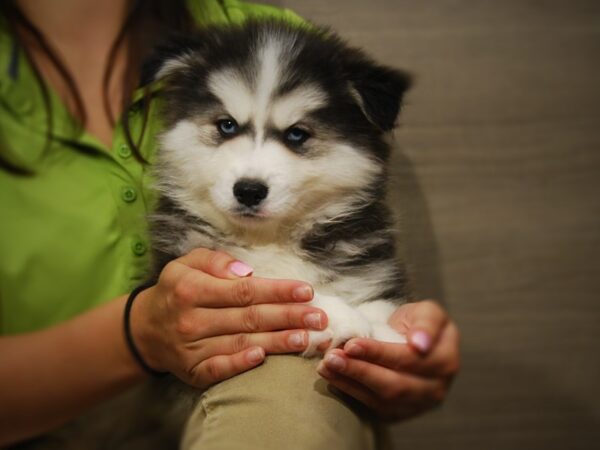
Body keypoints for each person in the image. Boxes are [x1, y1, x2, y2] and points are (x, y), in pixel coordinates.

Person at [0, 0, 460, 448]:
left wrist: (403, 355)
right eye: (225, 126)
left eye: (297, 135)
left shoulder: (248, 26)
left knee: (289, 383)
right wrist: (139, 333)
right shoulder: (208, 54)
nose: (251, 172)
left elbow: (376, 335)